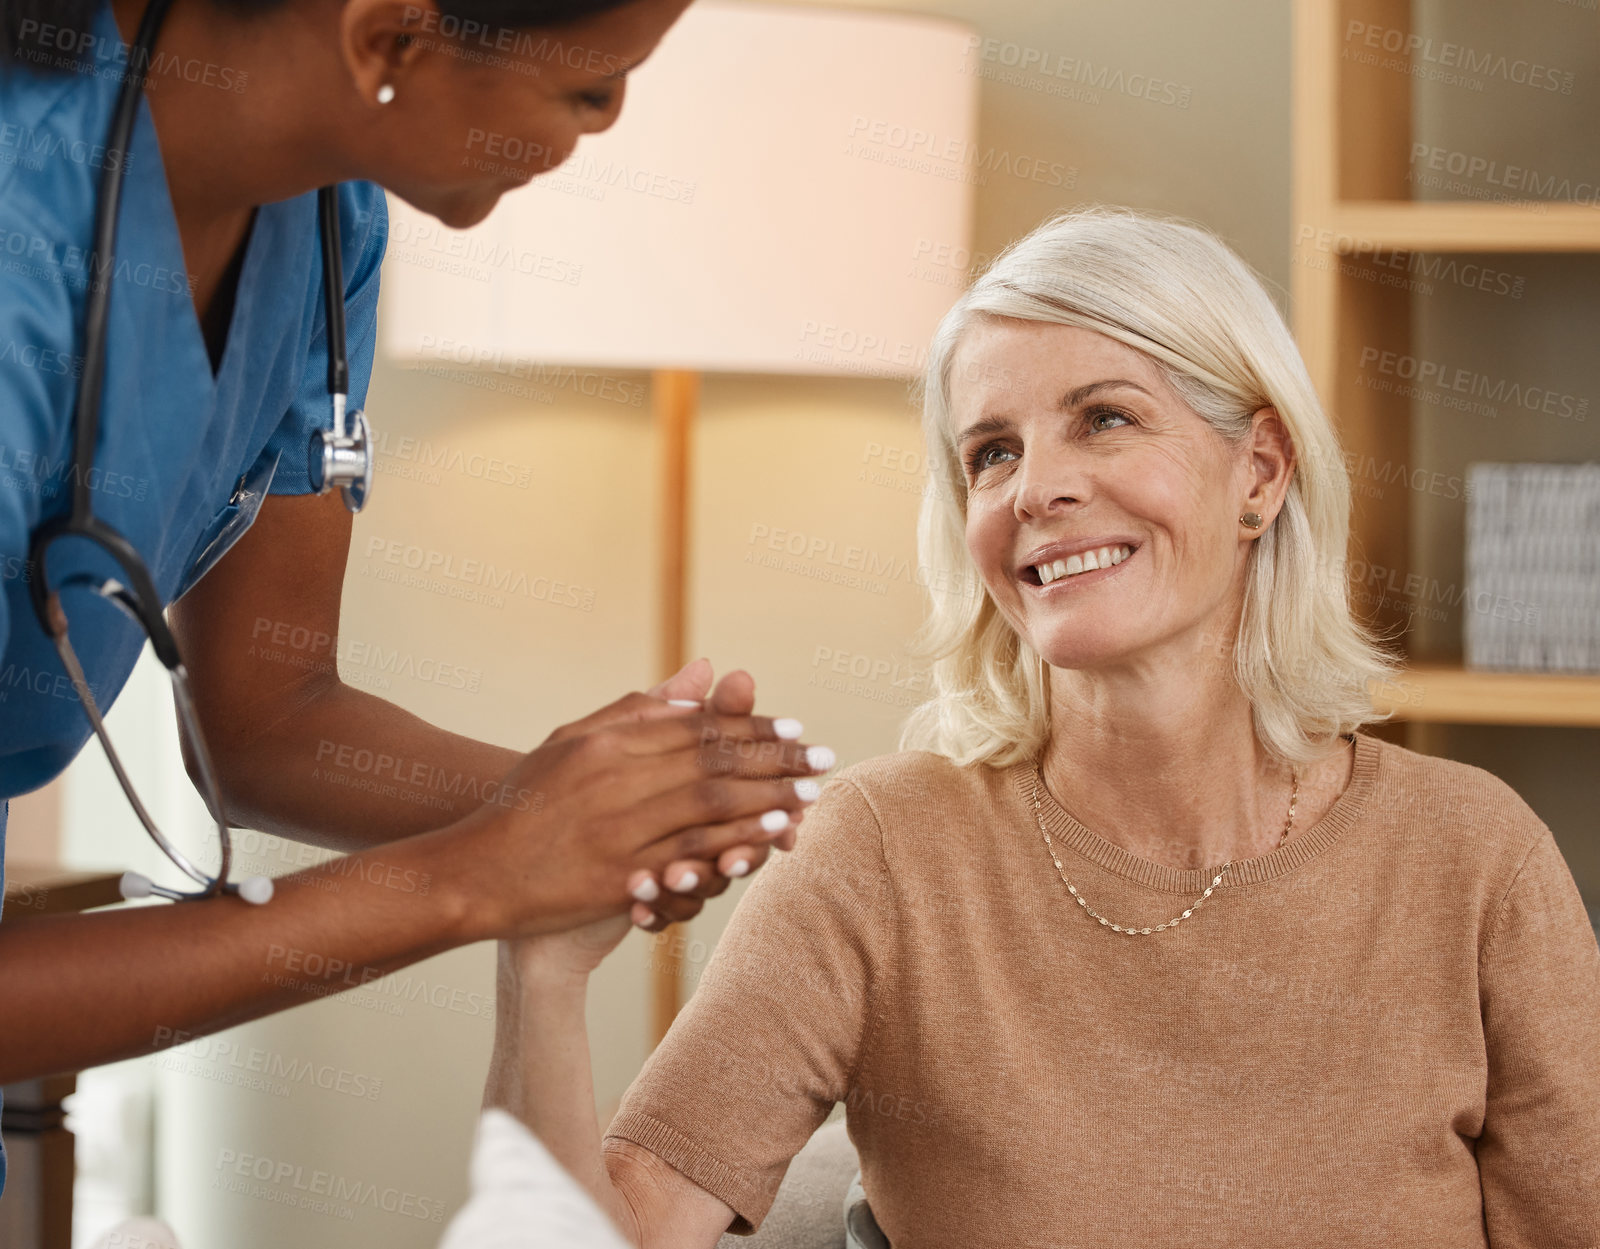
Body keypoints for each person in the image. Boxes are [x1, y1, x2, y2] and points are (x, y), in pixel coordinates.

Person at [487, 205, 1600, 1246]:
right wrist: (539, 961)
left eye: (1103, 418)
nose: (1035, 489)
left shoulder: (1472, 854)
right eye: (992, 452)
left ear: (1257, 472)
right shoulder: (885, 848)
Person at [0, 0, 831, 1196]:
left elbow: (268, 718)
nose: (602, 126)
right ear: (388, 38)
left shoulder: (328, 219)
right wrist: (480, 874)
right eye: (590, 92)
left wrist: (587, 809)